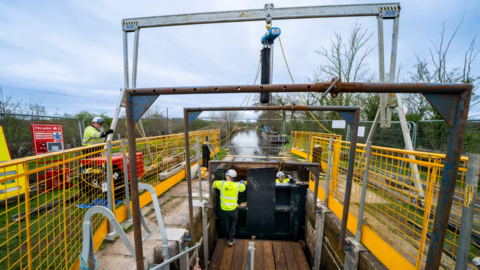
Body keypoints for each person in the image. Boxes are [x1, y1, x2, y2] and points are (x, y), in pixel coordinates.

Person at [213, 169, 246, 246]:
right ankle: (231, 239)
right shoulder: (238, 186)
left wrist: (223, 182)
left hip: (224, 209)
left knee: (226, 223)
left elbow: (214, 183)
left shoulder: (221, 184)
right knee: (233, 223)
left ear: (229, 177)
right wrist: (241, 183)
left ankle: (227, 237)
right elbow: (243, 188)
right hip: (233, 209)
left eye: (226, 176)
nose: (226, 177)